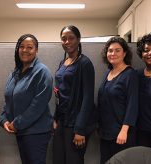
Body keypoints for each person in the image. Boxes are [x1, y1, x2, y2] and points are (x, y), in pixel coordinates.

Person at [0, 34, 53, 164]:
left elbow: (38, 105)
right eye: (21, 47)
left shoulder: (42, 72)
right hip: (21, 131)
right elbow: (9, 99)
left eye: (30, 47)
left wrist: (16, 124)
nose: (25, 50)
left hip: (36, 132)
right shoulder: (16, 72)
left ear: (36, 50)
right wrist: (3, 120)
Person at [52, 25, 95, 164]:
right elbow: (59, 93)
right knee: (58, 159)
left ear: (78, 40)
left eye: (71, 38)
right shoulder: (62, 62)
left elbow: (88, 97)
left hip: (76, 123)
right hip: (62, 121)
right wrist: (55, 118)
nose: (67, 42)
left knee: (73, 160)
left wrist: (80, 129)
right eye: (64, 39)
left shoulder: (85, 63)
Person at [97, 36, 139, 164]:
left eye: (117, 50)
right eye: (110, 50)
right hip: (105, 132)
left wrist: (124, 130)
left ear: (124, 53)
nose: (113, 53)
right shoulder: (108, 72)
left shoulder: (130, 74)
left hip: (121, 133)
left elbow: (133, 104)